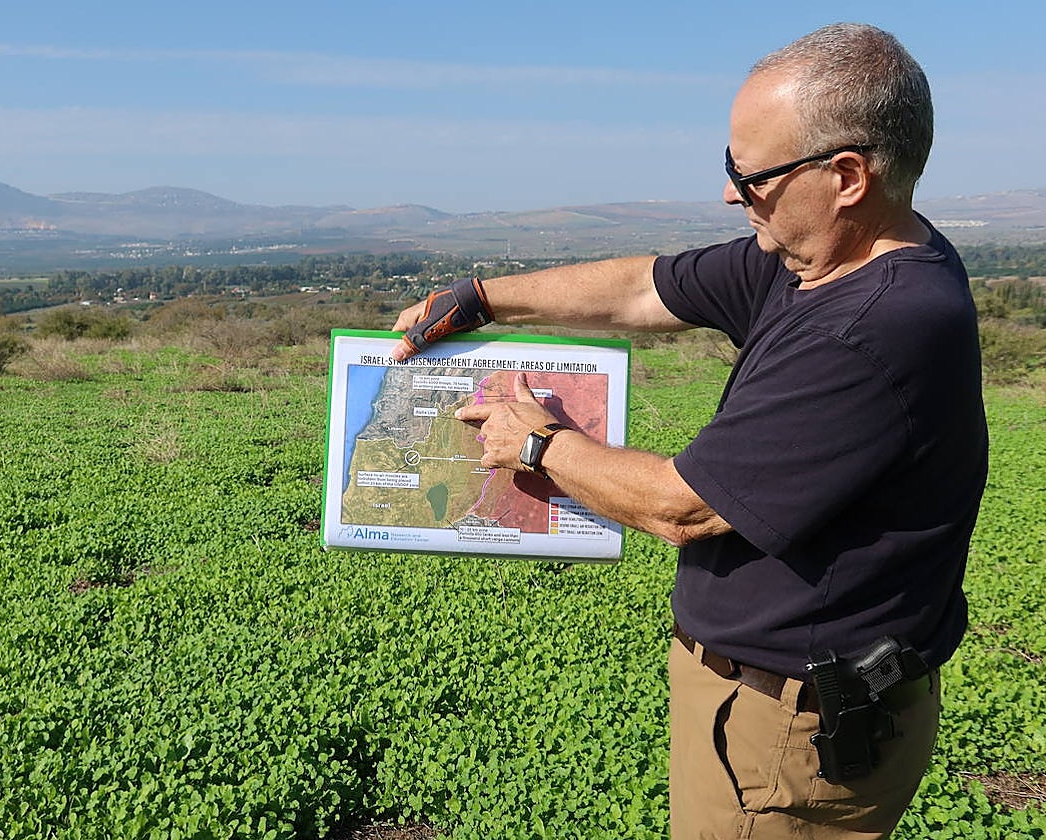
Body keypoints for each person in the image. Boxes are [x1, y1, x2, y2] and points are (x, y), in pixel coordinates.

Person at [387, 22, 988, 840]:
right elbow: (644, 288)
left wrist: (538, 444)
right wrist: (483, 299)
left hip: (794, 730)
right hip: (781, 706)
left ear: (846, 176)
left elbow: (684, 507)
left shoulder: (871, 328)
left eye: (752, 174)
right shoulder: (820, 258)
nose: (732, 194)